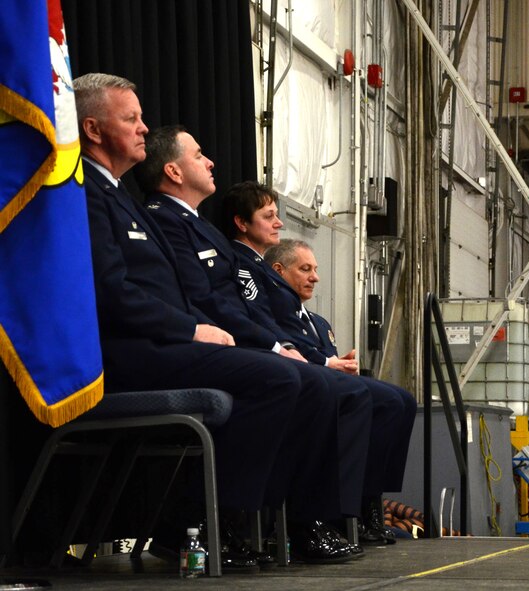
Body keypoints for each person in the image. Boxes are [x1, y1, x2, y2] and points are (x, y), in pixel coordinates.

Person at [74, 74, 355, 566]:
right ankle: (207, 525)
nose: (143, 128)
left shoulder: (121, 197)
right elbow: (110, 291)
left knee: (301, 380)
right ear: (94, 130)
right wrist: (191, 329)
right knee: (278, 379)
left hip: (165, 346)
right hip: (129, 351)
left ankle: (266, 522)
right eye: (131, 118)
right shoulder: (84, 194)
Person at [134, 126, 399, 547]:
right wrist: (277, 347)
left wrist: (284, 347)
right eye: (199, 154)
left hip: (232, 340)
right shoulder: (165, 220)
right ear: (174, 171)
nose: (210, 161)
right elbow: (209, 302)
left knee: (372, 394)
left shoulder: (197, 226)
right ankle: (272, 521)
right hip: (191, 345)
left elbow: (239, 308)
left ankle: (335, 512)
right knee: (311, 384)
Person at [223, 182, 416, 545]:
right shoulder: (247, 268)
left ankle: (366, 503)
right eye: (269, 216)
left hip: (289, 361)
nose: (278, 222)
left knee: (399, 400)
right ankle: (328, 514)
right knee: (356, 395)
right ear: (242, 222)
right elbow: (263, 324)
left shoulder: (266, 277)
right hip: (269, 362)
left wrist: (323, 359)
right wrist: (320, 361)